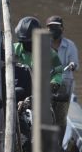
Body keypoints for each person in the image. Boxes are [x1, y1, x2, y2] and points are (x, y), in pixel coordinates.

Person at [46, 15, 79, 144]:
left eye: (56, 27)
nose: (53, 30)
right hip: (46, 85)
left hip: (64, 87)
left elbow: (74, 63)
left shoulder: (70, 45)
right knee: (45, 116)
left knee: (60, 119)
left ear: (62, 28)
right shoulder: (42, 44)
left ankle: (58, 146)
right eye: (51, 27)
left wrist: (72, 65)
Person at [13, 16, 63, 92]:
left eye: (29, 42)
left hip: (38, 91)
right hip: (16, 86)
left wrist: (54, 83)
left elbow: (58, 71)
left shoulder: (50, 53)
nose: (26, 44)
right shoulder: (12, 49)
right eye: (23, 42)